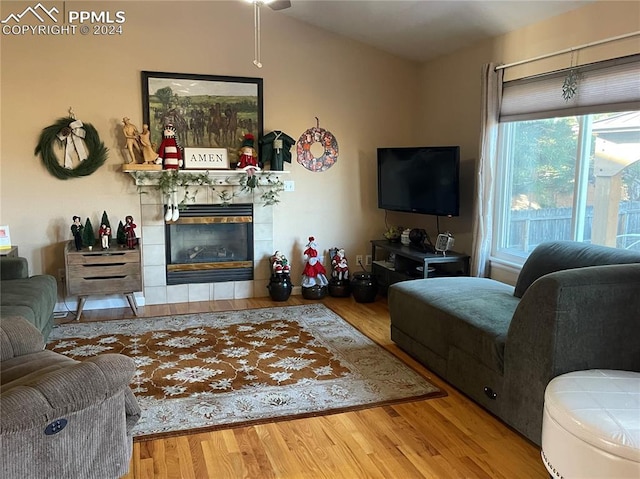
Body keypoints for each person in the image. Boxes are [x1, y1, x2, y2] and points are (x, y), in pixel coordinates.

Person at [156, 124, 183, 221]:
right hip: (167, 166)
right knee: (168, 187)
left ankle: (175, 207)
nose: (167, 131)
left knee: (174, 188)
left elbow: (179, 152)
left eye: (169, 130)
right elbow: (161, 152)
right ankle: (169, 208)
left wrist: (180, 160)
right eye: (166, 129)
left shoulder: (175, 143)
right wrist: (159, 159)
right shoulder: (164, 142)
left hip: (175, 167)